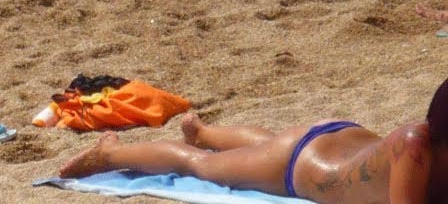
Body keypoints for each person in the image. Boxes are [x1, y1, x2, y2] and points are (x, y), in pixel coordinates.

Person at [59, 78, 448, 204]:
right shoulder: (414, 148)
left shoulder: (424, 142)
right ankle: (111, 152)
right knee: (199, 165)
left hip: (342, 139)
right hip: (300, 165)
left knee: (272, 142)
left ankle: (204, 133)